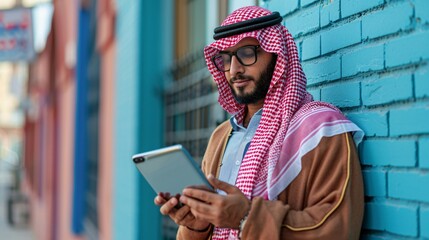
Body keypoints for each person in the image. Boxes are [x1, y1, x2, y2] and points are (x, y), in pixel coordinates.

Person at [155, 6, 364, 240]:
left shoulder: (321, 130)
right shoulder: (220, 137)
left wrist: (246, 218)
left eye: (246, 53)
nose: (234, 70)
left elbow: (339, 229)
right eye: (225, 58)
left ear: (277, 54)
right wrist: (197, 226)